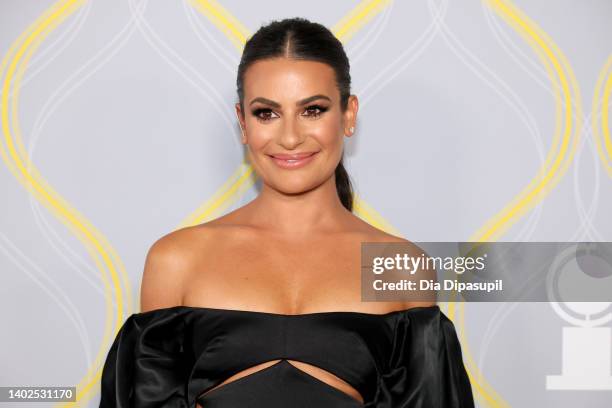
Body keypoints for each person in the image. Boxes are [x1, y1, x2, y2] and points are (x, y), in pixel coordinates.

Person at [99, 17, 475, 408]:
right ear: (243, 122)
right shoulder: (177, 260)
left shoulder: (399, 266)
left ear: (348, 115)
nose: (291, 137)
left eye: (312, 110)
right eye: (267, 113)